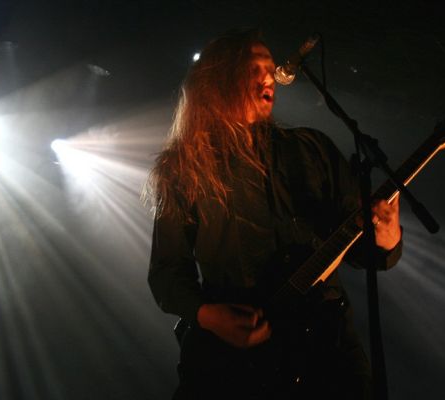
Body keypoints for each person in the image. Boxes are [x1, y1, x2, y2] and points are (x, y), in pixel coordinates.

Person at [144, 29, 402, 400]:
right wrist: (208, 315)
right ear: (219, 79)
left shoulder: (312, 149)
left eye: (271, 68)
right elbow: (166, 273)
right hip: (235, 364)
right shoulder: (183, 168)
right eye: (255, 69)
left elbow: (362, 250)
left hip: (327, 352)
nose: (269, 78)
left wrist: (388, 238)